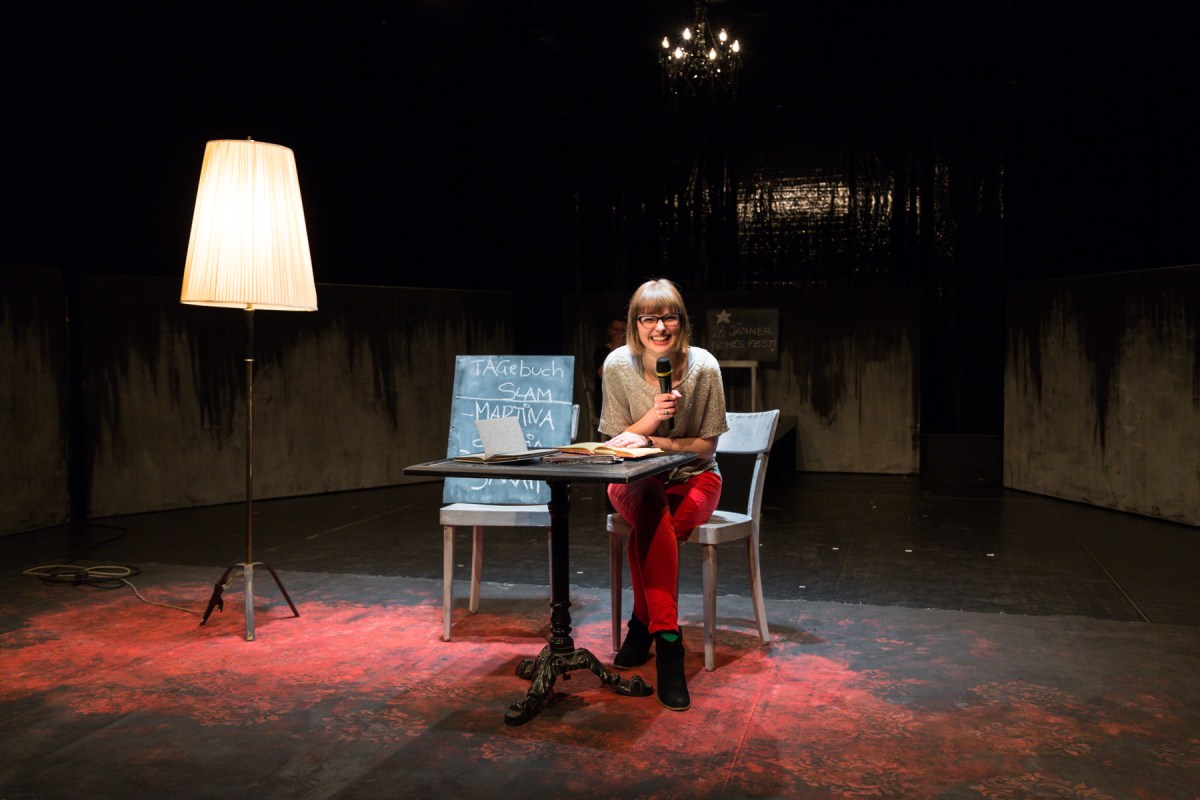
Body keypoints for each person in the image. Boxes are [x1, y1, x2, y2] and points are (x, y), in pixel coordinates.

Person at [598, 278, 728, 711]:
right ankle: (669, 643)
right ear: (634, 324)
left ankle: (643, 623)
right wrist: (653, 416)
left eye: (669, 317)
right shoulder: (617, 366)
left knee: (653, 530)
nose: (659, 327)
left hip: (696, 478)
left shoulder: (704, 367)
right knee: (653, 512)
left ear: (682, 322)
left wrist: (658, 443)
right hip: (634, 480)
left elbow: (706, 447)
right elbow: (616, 445)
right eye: (648, 318)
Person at [592, 314, 627, 415]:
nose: (619, 334)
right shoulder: (601, 352)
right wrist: (616, 348)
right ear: (610, 331)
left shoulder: (629, 352)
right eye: (616, 330)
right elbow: (601, 374)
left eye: (623, 331)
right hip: (606, 404)